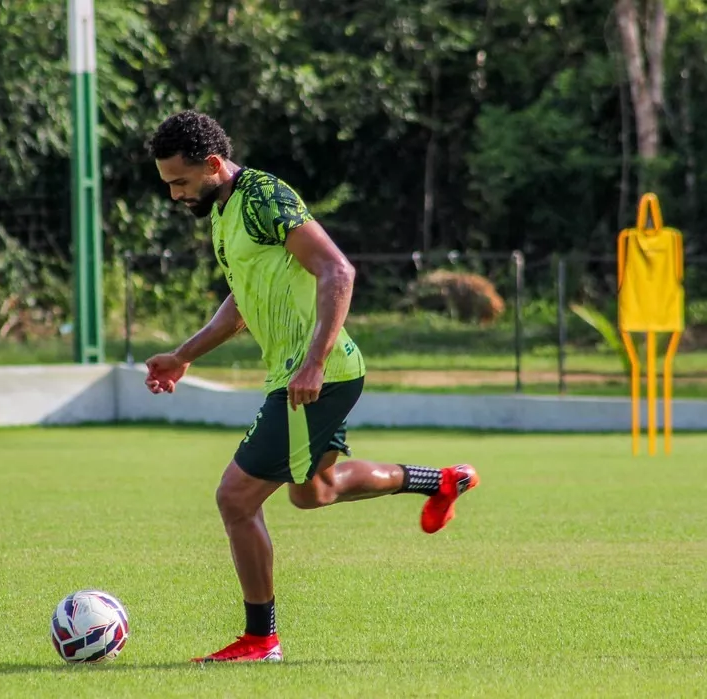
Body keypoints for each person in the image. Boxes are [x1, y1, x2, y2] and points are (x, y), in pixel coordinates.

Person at [143, 110, 479, 663]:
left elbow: (338, 272)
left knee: (234, 497)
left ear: (212, 164)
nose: (175, 194)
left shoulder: (264, 197)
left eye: (180, 181)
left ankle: (260, 639)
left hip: (314, 376)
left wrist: (314, 363)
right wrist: (183, 356)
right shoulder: (224, 211)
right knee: (313, 492)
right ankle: (440, 481)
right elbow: (241, 304)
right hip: (305, 375)